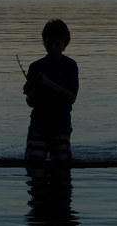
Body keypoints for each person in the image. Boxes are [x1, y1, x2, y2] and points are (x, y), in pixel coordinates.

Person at [23, 19, 79, 165]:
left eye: (57, 44)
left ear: (64, 45)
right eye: (49, 43)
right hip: (38, 125)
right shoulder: (35, 67)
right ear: (44, 42)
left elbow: (71, 98)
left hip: (60, 126)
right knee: (33, 166)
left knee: (61, 171)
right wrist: (29, 93)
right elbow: (31, 103)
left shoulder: (70, 66)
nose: (53, 47)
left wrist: (49, 83)